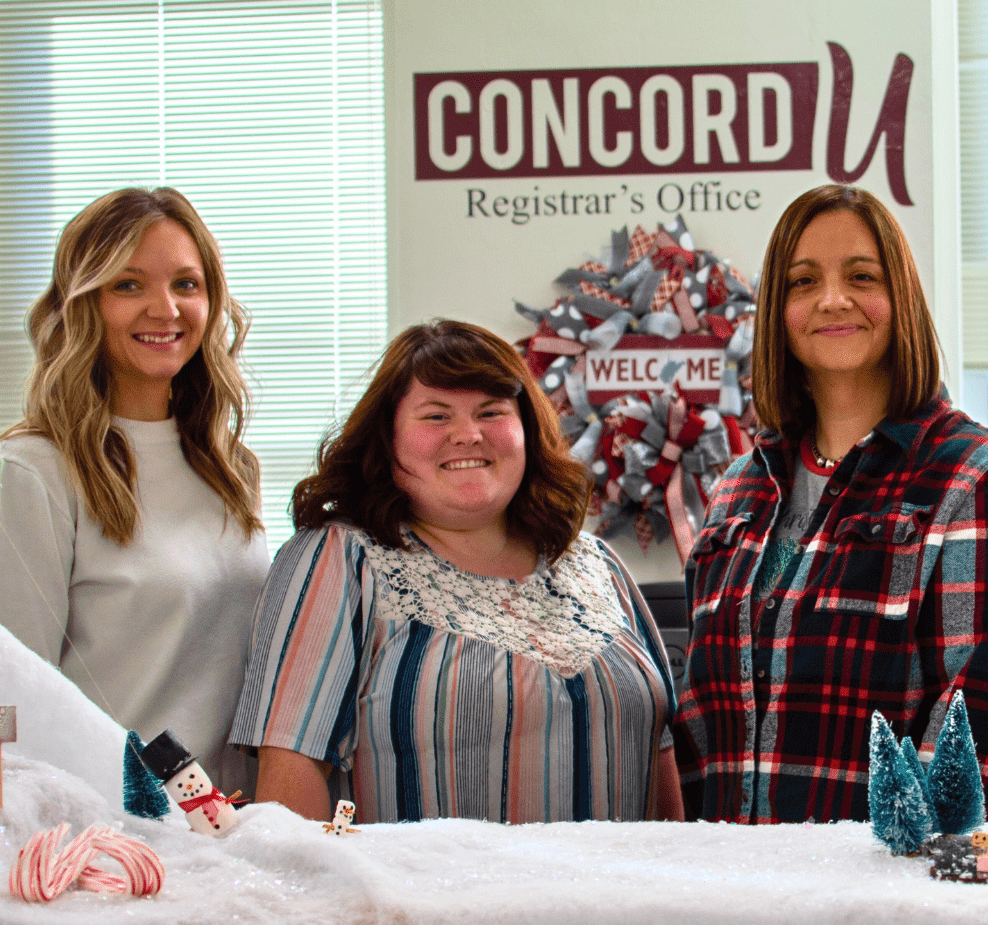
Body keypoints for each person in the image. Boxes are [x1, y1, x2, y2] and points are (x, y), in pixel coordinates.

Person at [674, 185, 988, 824]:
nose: (832, 299)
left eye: (862, 276)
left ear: (902, 299)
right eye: (803, 282)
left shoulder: (982, 483)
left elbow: (972, 764)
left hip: (892, 904)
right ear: (778, 311)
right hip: (731, 895)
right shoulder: (739, 489)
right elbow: (699, 734)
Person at [230, 320, 680, 824]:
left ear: (527, 431)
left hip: (620, 900)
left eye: (491, 412)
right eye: (436, 415)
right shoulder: (337, 559)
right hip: (421, 901)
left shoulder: (597, 563)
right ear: (389, 439)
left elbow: (658, 756)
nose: (467, 434)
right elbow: (290, 775)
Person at [0, 187, 269, 799]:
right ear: (82, 305)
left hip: (231, 826)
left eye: (186, 284)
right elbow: (12, 706)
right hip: (109, 833)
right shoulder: (27, 474)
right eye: (127, 285)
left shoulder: (230, 468)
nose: (166, 308)